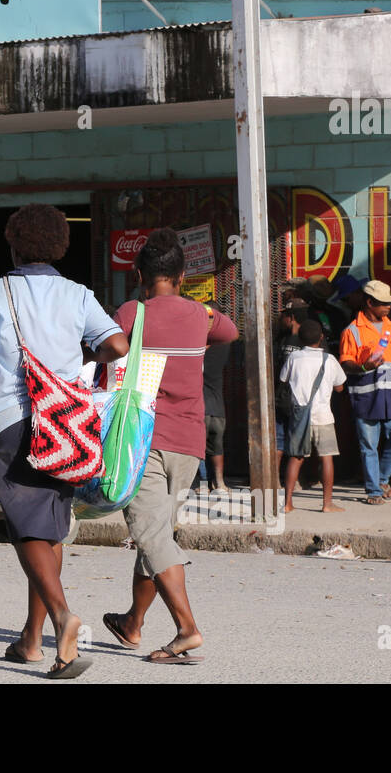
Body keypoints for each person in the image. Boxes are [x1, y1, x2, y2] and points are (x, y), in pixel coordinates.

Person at [0, 203, 128, 679]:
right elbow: (117, 345)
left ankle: (61, 618)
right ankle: (32, 641)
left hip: (13, 421)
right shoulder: (78, 294)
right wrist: (83, 355)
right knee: (47, 529)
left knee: (29, 528)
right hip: (69, 425)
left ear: (13, 243)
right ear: (58, 246)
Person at [101, 229, 238, 664]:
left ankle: (187, 629)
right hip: (189, 444)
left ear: (140, 274)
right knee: (156, 533)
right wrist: (199, 315)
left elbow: (105, 348)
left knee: (152, 533)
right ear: (181, 275)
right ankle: (133, 624)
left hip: (140, 439)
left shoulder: (131, 312)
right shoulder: (203, 316)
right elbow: (230, 331)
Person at [339, 280, 391, 504]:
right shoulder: (352, 331)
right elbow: (345, 363)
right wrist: (365, 367)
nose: (388, 307)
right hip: (366, 397)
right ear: (369, 302)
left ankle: (382, 478)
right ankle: (374, 491)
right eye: (384, 304)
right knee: (368, 446)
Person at [279, 319, 346, 512]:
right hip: (323, 416)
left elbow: (283, 379)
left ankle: (288, 503)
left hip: (299, 416)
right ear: (322, 337)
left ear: (300, 339)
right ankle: (327, 504)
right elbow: (340, 387)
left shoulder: (294, 358)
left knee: (296, 458)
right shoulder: (330, 360)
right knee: (326, 458)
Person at [200, 299, 234, 492]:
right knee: (217, 447)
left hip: (199, 407)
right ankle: (219, 482)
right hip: (218, 408)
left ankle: (202, 483)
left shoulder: (195, 344)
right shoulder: (224, 343)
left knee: (198, 449)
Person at [272, 301, 307, 482]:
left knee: (281, 440)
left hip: (284, 398)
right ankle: (295, 480)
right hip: (299, 400)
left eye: (284, 315)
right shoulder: (310, 339)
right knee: (296, 441)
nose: (281, 319)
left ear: (291, 318)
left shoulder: (283, 340)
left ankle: (279, 480)